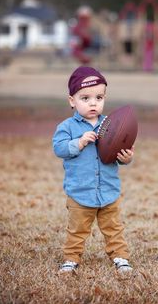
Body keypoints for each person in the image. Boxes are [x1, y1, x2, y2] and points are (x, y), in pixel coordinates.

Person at [53, 66, 134, 274]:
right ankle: (71, 259)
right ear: (72, 101)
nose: (93, 103)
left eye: (99, 97)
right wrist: (78, 142)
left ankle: (120, 257)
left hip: (108, 190)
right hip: (80, 192)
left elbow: (119, 151)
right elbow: (59, 148)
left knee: (114, 228)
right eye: (85, 98)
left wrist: (126, 158)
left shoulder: (112, 125)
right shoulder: (67, 127)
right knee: (77, 230)